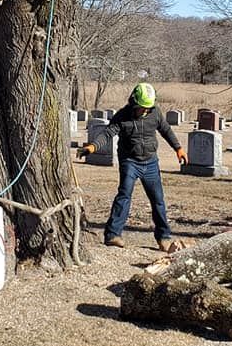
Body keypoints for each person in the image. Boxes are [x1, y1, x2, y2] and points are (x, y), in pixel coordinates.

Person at [80, 83, 187, 251]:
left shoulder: (155, 113)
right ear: (134, 102)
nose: (145, 111)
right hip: (130, 161)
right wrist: (93, 147)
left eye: (148, 108)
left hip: (151, 162)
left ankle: (164, 237)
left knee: (158, 200)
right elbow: (107, 133)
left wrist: (178, 148)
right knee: (124, 195)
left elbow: (166, 130)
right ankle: (113, 235)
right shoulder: (122, 116)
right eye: (142, 107)